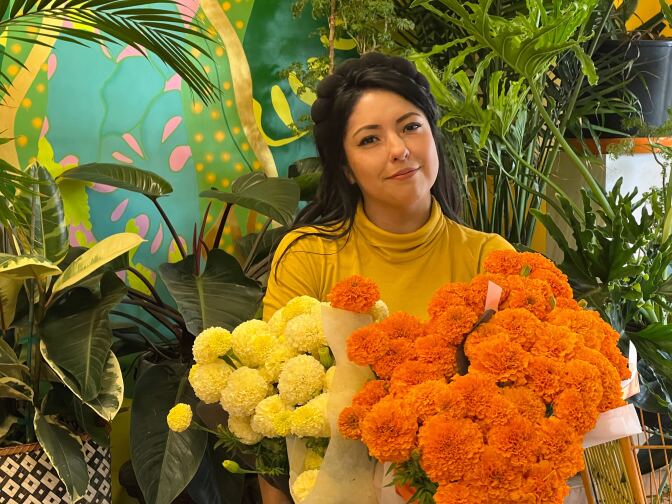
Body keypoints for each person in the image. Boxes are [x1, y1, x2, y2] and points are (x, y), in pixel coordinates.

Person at [259, 52, 513, 503]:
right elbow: (278, 428)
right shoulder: (309, 257)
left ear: (433, 136)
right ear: (345, 169)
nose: (399, 149)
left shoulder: (489, 260)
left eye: (411, 126)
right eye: (370, 139)